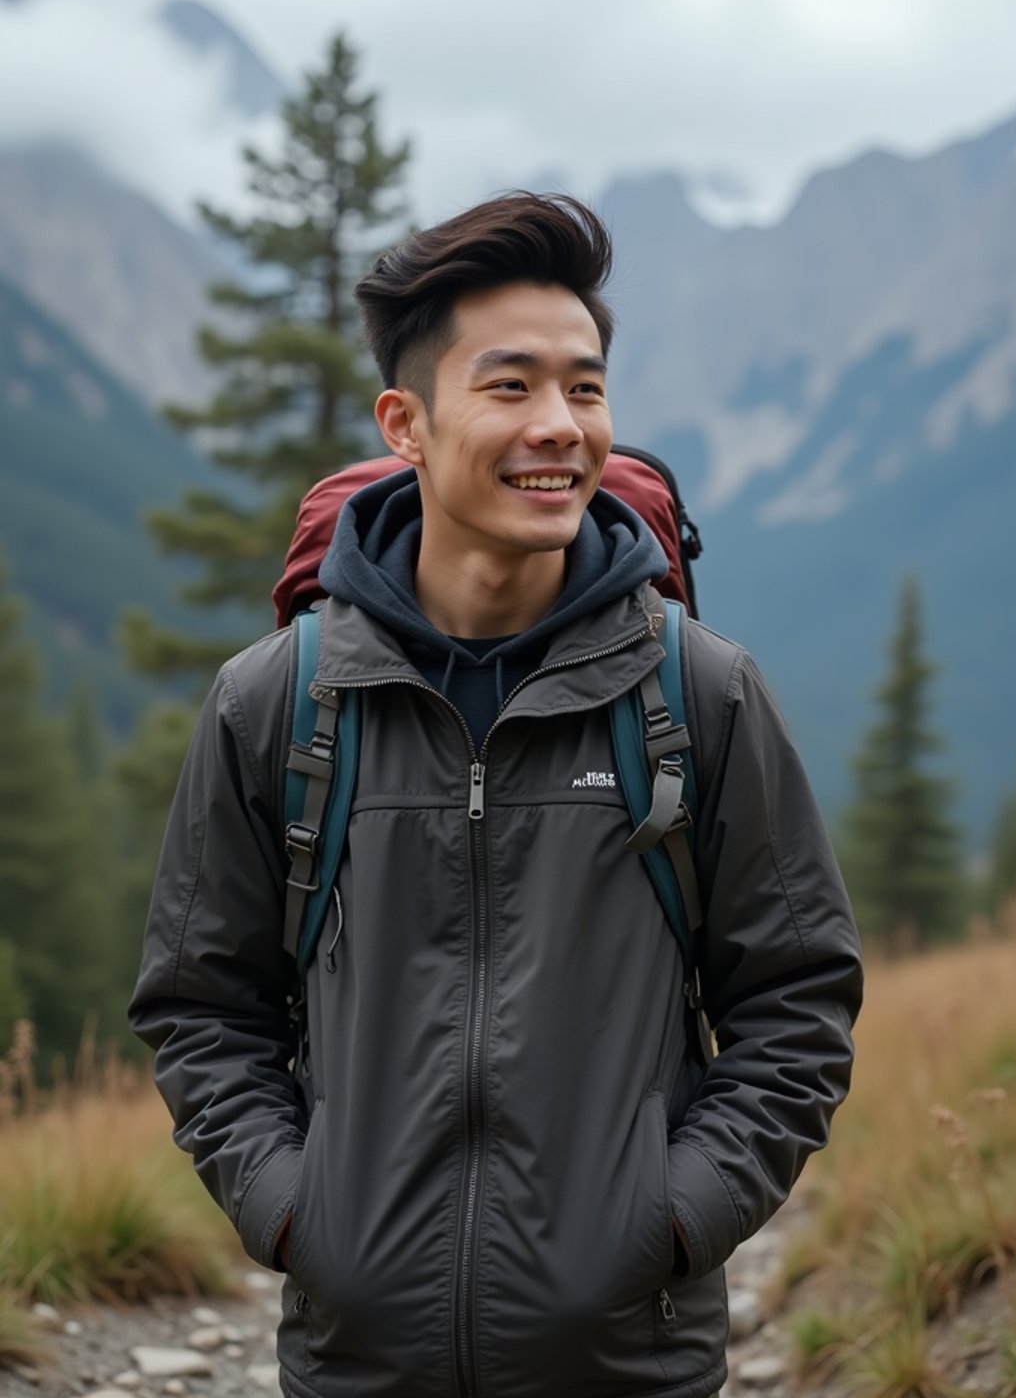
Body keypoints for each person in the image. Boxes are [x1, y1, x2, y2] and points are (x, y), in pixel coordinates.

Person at [130, 192, 862, 1398]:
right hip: (359, 1359)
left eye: (584, 388)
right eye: (511, 386)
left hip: (627, 1358)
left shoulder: (698, 693)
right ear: (405, 424)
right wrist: (298, 1218)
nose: (560, 427)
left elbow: (796, 1001)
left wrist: (669, 1224)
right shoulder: (279, 703)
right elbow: (202, 1006)